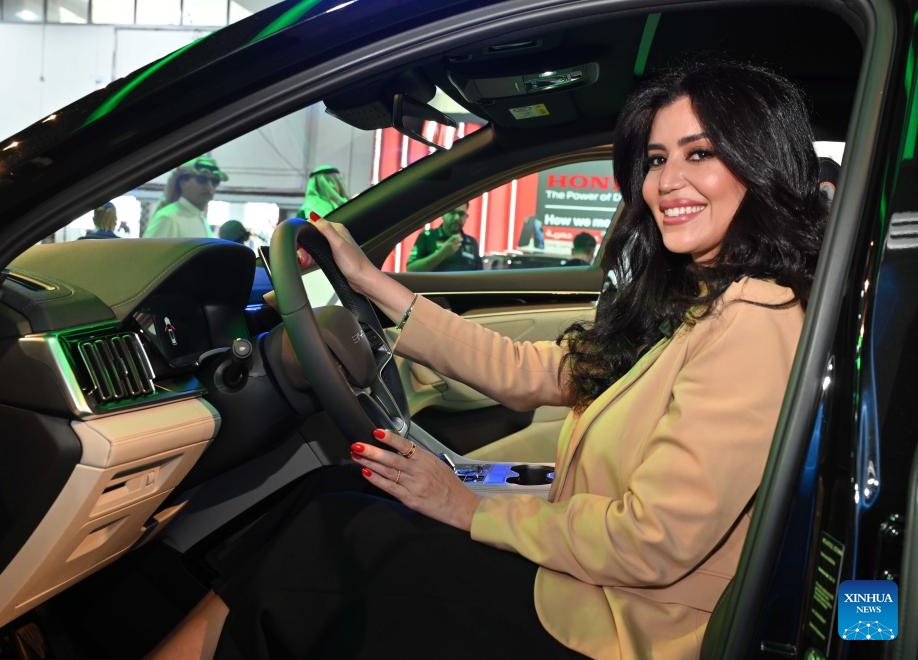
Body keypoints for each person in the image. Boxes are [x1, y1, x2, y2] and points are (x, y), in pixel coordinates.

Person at [151, 60, 827, 660]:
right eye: (654, 160)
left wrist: (469, 507)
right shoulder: (697, 300)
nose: (666, 183)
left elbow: (652, 541)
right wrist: (370, 282)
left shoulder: (756, 319)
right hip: (592, 586)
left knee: (322, 544)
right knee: (332, 496)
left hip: (617, 629)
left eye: (699, 154)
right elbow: (529, 371)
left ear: (759, 162)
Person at [143, 156, 228, 238]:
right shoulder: (168, 218)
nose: (210, 187)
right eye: (202, 180)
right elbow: (147, 252)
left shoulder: (199, 217)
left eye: (215, 182)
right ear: (183, 183)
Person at [405, 204, 482, 271]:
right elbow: (411, 269)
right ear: (442, 214)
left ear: (466, 216)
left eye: (461, 214)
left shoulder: (471, 242)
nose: (456, 218)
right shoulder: (427, 237)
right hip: (432, 287)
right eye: (452, 212)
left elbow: (479, 275)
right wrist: (442, 253)